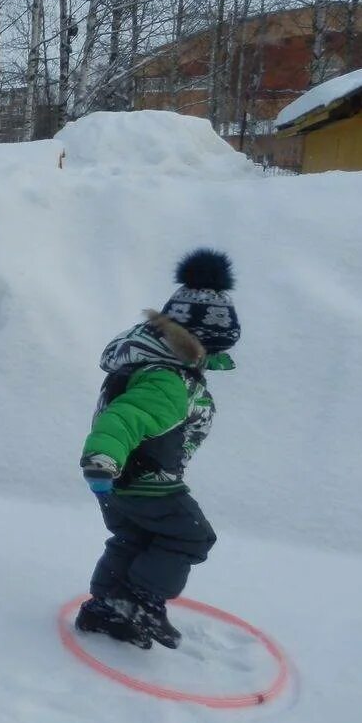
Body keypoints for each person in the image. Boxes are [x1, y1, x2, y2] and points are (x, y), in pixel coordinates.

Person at [74, 249, 238, 649]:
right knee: (190, 537)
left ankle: (105, 609)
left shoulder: (152, 361)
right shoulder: (166, 380)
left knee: (134, 540)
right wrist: (102, 458)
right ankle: (140, 601)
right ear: (194, 343)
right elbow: (124, 419)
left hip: (121, 482)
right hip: (148, 481)